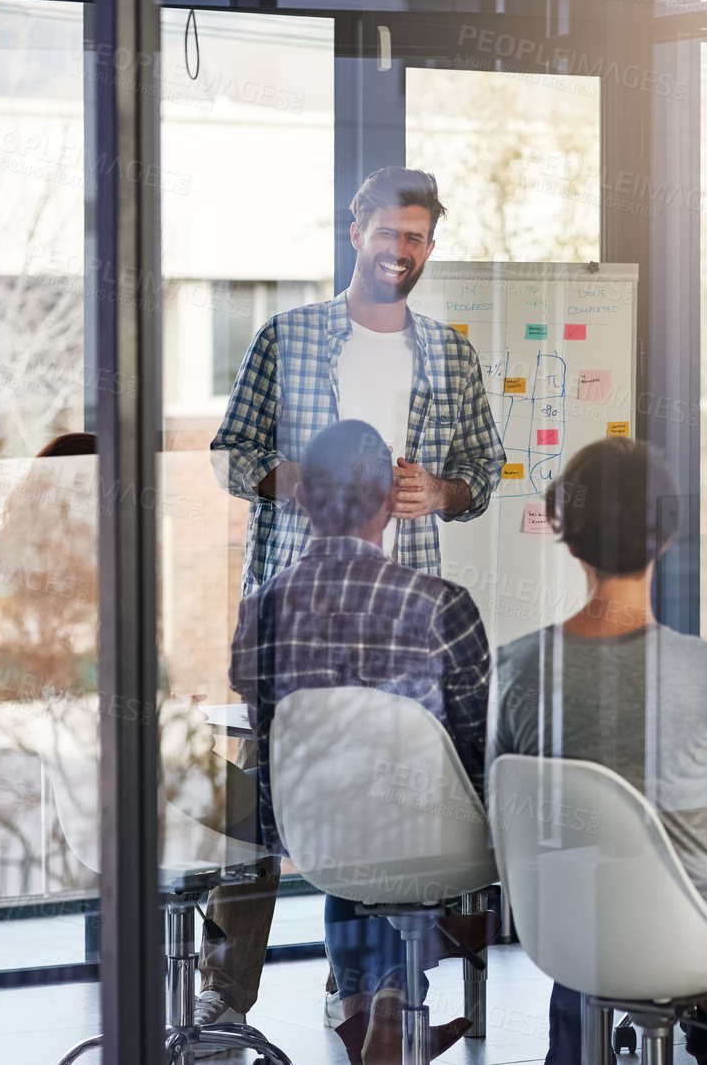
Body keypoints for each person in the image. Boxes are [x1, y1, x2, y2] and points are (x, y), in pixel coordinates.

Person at [489, 437, 707, 1065]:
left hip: (565, 933)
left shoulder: (517, 669)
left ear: (567, 537)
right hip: (688, 935)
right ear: (667, 537)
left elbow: (494, 805)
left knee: (592, 871)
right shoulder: (705, 669)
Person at [0, 433, 278, 1053]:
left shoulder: (15, 583)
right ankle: (221, 998)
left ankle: (183, 996)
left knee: (240, 799)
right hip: (153, 793)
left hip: (88, 808)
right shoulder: (113, 584)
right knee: (264, 811)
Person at [230, 419, 491, 1065]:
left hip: (315, 837)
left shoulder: (261, 605)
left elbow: (265, 730)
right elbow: (478, 741)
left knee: (349, 816)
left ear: (303, 500)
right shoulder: (440, 602)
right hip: (427, 834)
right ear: (386, 502)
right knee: (409, 816)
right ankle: (394, 990)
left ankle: (358, 1004)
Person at [211, 166, 506, 592]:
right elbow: (228, 456)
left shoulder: (452, 356)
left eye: (414, 238)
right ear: (356, 235)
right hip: (297, 598)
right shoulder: (285, 337)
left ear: (429, 248)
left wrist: (438, 492)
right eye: (386, 233)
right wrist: (304, 480)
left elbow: (484, 468)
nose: (399, 250)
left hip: (405, 605)